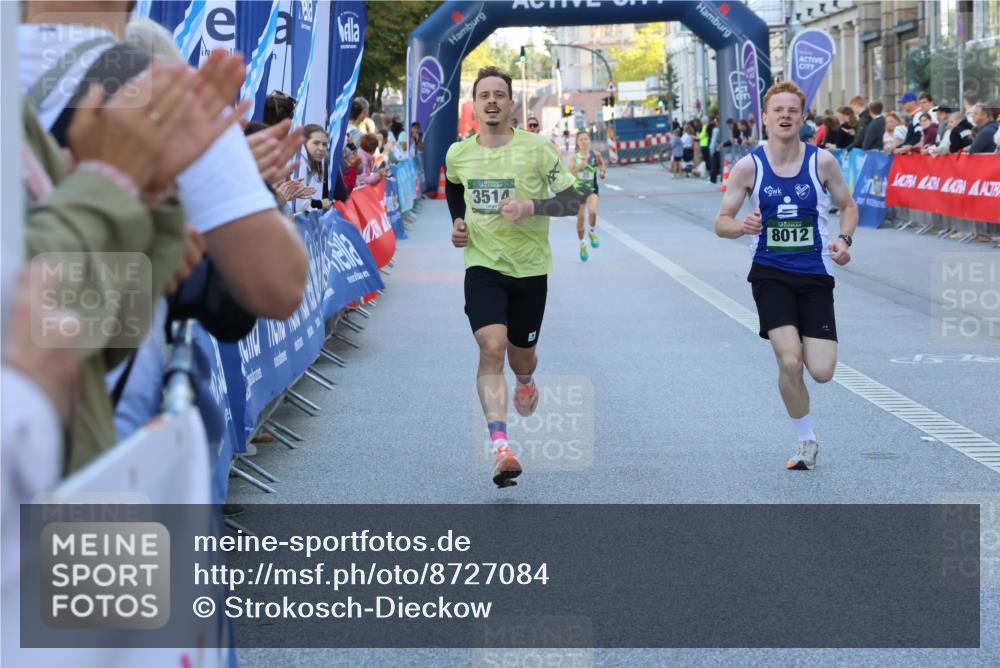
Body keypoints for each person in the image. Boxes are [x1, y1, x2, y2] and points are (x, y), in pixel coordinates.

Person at [444, 66, 583, 487]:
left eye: (499, 95)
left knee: (521, 355)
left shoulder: (538, 149)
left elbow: (573, 201)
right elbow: (453, 186)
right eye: (484, 94)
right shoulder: (458, 153)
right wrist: (457, 222)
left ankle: (525, 379)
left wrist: (533, 208)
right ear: (474, 104)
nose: (491, 101)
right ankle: (501, 447)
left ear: (510, 103)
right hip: (482, 266)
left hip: (530, 269)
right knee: (491, 345)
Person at [713, 81, 858, 471]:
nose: (785, 116)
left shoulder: (822, 162)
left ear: (802, 116)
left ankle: (795, 372)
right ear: (765, 117)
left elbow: (848, 206)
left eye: (792, 110)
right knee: (791, 363)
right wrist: (742, 226)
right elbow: (721, 222)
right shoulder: (749, 167)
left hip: (814, 274)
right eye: (778, 110)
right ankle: (805, 440)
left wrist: (844, 240)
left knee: (823, 372)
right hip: (770, 274)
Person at [568, 130, 605, 261]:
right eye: (581, 140)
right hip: (578, 192)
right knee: (580, 220)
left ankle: (592, 232)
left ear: (589, 141)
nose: (584, 141)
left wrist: (602, 172)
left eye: (586, 139)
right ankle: (582, 244)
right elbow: (570, 172)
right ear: (578, 143)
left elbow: (601, 163)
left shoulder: (595, 154)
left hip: (592, 190)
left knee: (593, 212)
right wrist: (580, 166)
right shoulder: (574, 157)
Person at [303, 124, 331, 210]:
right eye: (316, 143)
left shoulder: (312, 162)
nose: (322, 148)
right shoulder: (299, 161)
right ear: (304, 142)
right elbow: (298, 204)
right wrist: (320, 204)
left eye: (324, 144)